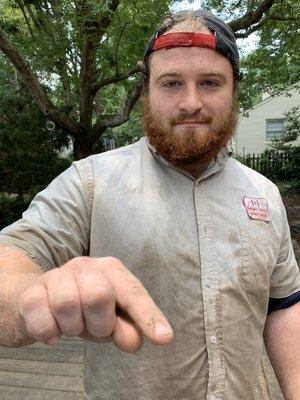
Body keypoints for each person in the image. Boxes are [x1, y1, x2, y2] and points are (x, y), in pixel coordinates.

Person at [0, 9, 299, 400]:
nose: (191, 102)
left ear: (234, 92)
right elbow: (14, 257)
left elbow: (284, 304)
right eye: (171, 83)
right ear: (146, 92)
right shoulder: (89, 183)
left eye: (210, 82)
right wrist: (29, 295)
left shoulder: (264, 194)